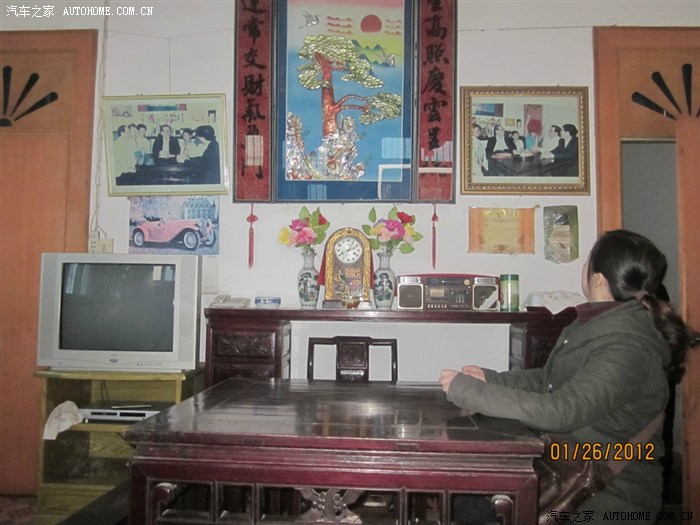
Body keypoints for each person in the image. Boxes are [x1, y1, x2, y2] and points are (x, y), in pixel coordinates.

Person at [440, 230, 697, 524]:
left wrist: (470, 392)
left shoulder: (627, 345)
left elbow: (563, 410)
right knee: (469, 502)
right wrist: (491, 379)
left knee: (473, 507)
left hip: (606, 500)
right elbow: (549, 380)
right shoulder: (596, 324)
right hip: (568, 474)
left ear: (597, 279)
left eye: (587, 260)